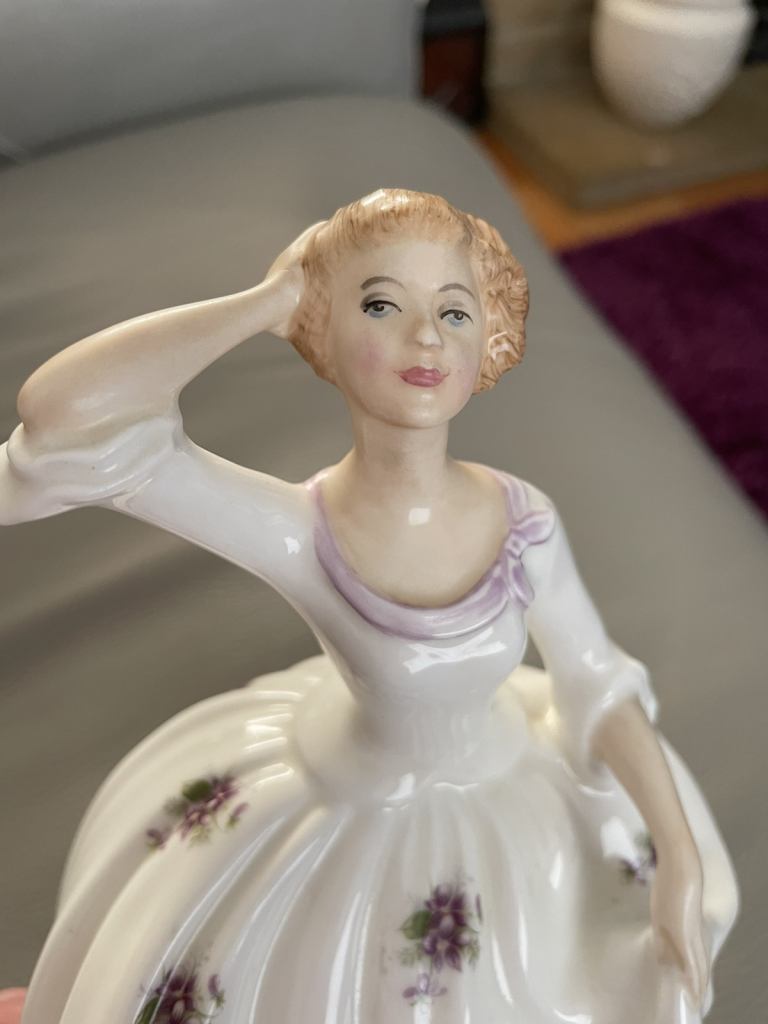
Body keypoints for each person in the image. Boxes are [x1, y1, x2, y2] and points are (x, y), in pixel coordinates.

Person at [0, 189, 737, 1023]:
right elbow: (64, 418)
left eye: (453, 312)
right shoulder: (296, 532)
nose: (426, 338)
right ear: (324, 331)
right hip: (346, 811)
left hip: (515, 806)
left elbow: (594, 682)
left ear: (486, 339)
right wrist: (270, 301)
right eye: (382, 305)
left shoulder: (522, 520)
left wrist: (679, 857)